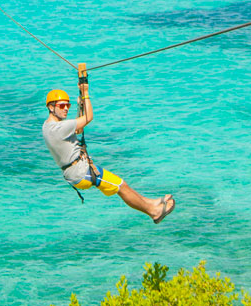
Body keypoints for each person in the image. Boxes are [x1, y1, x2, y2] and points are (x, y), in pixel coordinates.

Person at [42, 84, 175, 224]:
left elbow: (78, 129)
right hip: (81, 172)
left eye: (68, 106)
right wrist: (85, 93)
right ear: (51, 108)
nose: (66, 109)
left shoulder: (47, 126)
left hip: (77, 170)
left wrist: (81, 103)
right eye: (62, 106)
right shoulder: (60, 127)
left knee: (121, 184)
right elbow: (88, 118)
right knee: (120, 186)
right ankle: (154, 212)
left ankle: (151, 203)